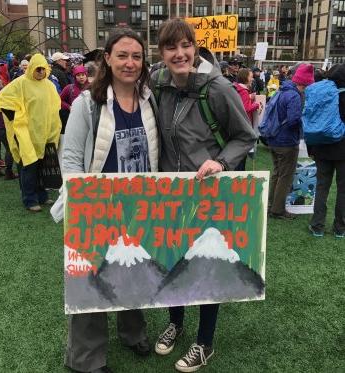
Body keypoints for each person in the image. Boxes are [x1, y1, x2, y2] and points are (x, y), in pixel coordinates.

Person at [151, 18, 257, 372]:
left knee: (206, 263)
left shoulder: (218, 88)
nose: (179, 54)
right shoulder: (158, 83)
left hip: (207, 193)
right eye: (171, 47)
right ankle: (176, 323)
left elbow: (246, 137)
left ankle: (204, 342)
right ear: (162, 52)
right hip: (170, 192)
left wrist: (221, 161)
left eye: (186, 45)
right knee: (172, 259)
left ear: (195, 47)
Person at [53, 29, 159, 373]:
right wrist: (81, 197)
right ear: (108, 59)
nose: (130, 63)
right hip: (95, 207)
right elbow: (69, 158)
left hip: (138, 206)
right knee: (90, 280)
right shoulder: (87, 104)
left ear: (143, 62)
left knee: (133, 271)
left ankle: (133, 332)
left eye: (137, 56)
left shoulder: (149, 99)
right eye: (122, 55)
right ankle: (84, 359)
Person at [0, 53, 61, 212]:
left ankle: (42, 196)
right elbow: (2, 99)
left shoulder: (50, 86)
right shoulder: (20, 83)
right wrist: (16, 118)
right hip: (25, 133)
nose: (40, 72)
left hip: (44, 134)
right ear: (31, 68)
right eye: (37, 69)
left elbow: (55, 108)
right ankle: (30, 199)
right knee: (29, 166)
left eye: (42, 69)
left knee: (41, 166)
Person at [267, 63, 314, 220]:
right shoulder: (294, 95)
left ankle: (270, 204)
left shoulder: (282, 90)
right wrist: (305, 121)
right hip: (286, 141)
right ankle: (278, 210)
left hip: (274, 138)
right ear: (304, 82)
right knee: (285, 176)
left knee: (277, 173)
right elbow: (293, 120)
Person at [308, 63, 345, 238]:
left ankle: (317, 226)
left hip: (322, 147)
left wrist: (310, 147)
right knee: (343, 190)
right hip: (343, 150)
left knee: (322, 187)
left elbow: (311, 118)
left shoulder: (321, 94)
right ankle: (340, 228)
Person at [60, 65, 90, 133]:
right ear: (75, 77)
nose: (81, 77)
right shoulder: (69, 88)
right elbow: (59, 100)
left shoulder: (93, 87)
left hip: (89, 120)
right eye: (78, 75)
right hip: (74, 120)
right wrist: (68, 107)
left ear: (86, 76)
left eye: (83, 75)